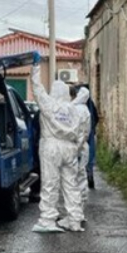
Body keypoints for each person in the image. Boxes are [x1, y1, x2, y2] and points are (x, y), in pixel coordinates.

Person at [30, 64, 83, 233]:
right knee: (71, 184)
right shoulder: (73, 109)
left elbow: (37, 88)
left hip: (51, 146)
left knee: (50, 184)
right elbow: (80, 131)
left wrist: (36, 68)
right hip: (70, 147)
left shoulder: (49, 104)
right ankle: (75, 220)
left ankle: (47, 220)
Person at [71, 87, 92, 227]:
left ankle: (73, 213)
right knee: (81, 178)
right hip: (83, 148)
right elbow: (86, 132)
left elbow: (76, 132)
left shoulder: (75, 110)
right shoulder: (86, 110)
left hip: (75, 149)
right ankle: (80, 212)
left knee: (72, 180)